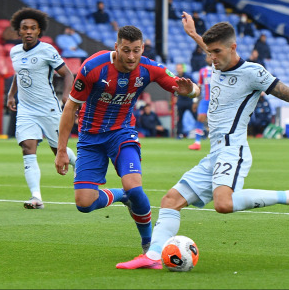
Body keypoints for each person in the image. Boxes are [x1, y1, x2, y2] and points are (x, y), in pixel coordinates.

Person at [116, 12, 289, 269]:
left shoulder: (253, 73)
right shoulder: (218, 61)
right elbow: (211, 50)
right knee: (170, 201)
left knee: (224, 204)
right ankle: (153, 257)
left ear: (233, 48)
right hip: (215, 153)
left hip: (234, 149)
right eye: (209, 52)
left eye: (216, 52)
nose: (211, 58)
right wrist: (192, 35)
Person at [54, 25, 200, 254]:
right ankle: (120, 195)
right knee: (84, 203)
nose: (131, 56)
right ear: (116, 47)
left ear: (142, 48)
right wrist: (62, 149)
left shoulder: (149, 67)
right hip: (90, 137)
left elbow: (193, 90)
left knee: (135, 187)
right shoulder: (94, 67)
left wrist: (190, 91)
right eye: (126, 50)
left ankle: (149, 244)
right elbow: (71, 107)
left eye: (136, 50)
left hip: (122, 132)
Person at [7, 8, 77, 209]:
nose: (28, 31)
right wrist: (11, 95)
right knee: (28, 147)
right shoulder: (15, 52)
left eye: (33, 28)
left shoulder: (47, 50)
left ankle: (77, 164)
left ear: (39, 31)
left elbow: (68, 74)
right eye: (24, 28)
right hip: (26, 110)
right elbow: (19, 74)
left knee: (58, 150)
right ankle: (36, 197)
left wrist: (66, 96)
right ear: (18, 31)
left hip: (48, 109)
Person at [188, 59, 211, 151]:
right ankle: (197, 142)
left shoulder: (220, 69)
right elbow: (199, 87)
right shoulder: (203, 71)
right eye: (208, 55)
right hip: (205, 99)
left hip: (217, 100)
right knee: (200, 118)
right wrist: (195, 101)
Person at [174, 63, 195, 138]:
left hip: (189, 100)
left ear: (183, 68)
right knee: (180, 118)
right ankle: (179, 134)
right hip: (180, 101)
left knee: (196, 117)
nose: (178, 69)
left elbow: (194, 86)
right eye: (177, 68)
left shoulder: (188, 76)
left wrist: (194, 100)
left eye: (180, 68)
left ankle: (201, 132)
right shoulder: (175, 77)